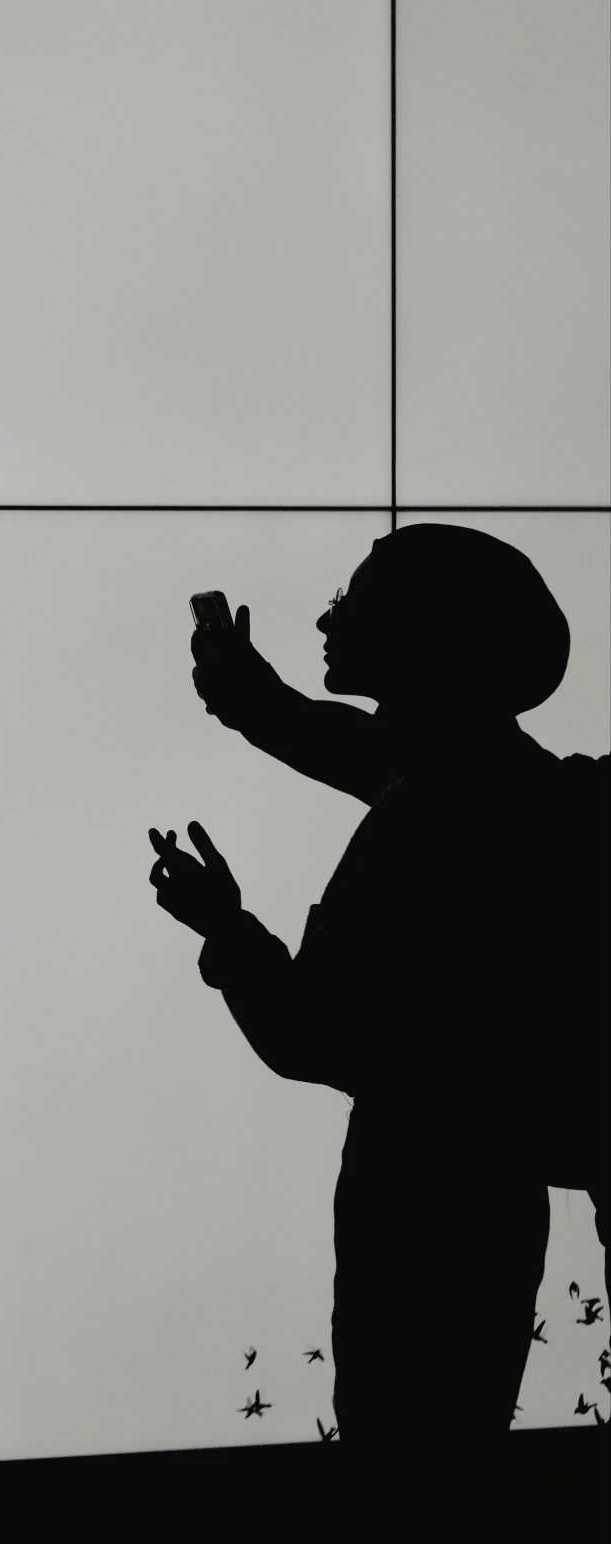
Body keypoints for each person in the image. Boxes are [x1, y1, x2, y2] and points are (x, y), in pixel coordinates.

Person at [148, 523, 609, 1452]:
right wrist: (253, 701)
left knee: (407, 1475)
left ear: (426, 638)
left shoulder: (426, 820)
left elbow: (312, 1035)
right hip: (489, 1193)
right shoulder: (529, 797)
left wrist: (226, 930)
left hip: (422, 1198)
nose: (329, 614)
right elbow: (369, 749)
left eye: (356, 600)